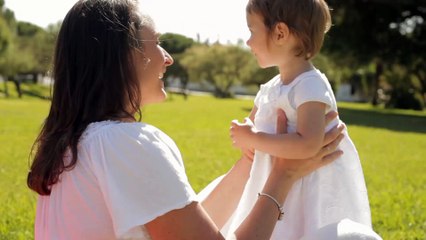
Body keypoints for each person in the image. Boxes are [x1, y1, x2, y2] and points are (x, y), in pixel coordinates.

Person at [26, 0, 344, 239]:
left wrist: (249, 163)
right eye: (157, 42)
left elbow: (187, 222)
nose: (168, 57)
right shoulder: (125, 144)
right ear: (124, 55)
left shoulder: (70, 144)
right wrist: (282, 176)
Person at [228, 0, 375, 239]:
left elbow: (308, 143)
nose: (248, 41)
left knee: (301, 231)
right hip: (272, 182)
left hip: (307, 187)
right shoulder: (271, 88)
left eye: (252, 31)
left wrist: (254, 138)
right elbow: (254, 127)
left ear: (280, 33)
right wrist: (247, 136)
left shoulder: (309, 85)